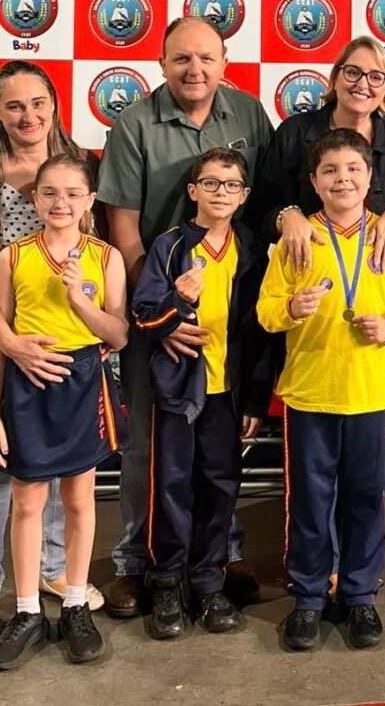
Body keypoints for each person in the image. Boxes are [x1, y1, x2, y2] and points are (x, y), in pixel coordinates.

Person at [98, 16, 274, 618]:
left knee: (219, 459)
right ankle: (138, 564)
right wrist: (162, 314)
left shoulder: (248, 115)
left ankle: (217, 560)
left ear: (224, 62)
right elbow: (123, 229)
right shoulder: (134, 123)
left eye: (206, 58)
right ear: (162, 63)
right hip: (156, 310)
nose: (194, 69)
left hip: (223, 325)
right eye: (181, 59)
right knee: (152, 450)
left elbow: (265, 203)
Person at [257, 129, 385, 650]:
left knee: (366, 498)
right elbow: (266, 310)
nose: (343, 179)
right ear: (313, 181)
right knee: (310, 501)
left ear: (370, 177)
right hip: (309, 393)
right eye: (330, 171)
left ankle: (360, 595)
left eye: (354, 169)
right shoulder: (298, 240)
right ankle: (309, 597)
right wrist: (291, 308)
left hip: (370, 394)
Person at [0, 61, 104, 647]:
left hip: (64, 338)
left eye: (38, 102)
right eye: (14, 105)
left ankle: (52, 567)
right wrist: (8, 339)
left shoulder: (79, 165)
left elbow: (94, 254)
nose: (28, 115)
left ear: (54, 104)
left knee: (62, 459)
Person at [0, 154, 129, 669]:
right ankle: (26, 611)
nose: (60, 202)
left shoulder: (106, 257)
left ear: (90, 200)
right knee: (26, 501)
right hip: (27, 385)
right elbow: (0, 337)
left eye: (72, 193)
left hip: (83, 381)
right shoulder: (13, 256)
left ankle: (74, 605)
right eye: (49, 192)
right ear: (35, 198)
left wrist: (81, 300)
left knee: (79, 498)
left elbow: (119, 334)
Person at [132, 147, 270, 640]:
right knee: (171, 485)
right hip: (178, 389)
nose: (220, 193)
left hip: (227, 393)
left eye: (231, 185)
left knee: (220, 486)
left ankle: (209, 580)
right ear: (193, 191)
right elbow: (143, 316)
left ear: (244, 195)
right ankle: (167, 579)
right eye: (210, 183)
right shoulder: (170, 246)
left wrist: (254, 400)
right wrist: (177, 303)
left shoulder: (251, 249)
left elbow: (261, 331)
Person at [263, 35, 385, 272]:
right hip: (309, 273)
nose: (362, 84)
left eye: (376, 77)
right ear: (335, 78)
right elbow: (261, 211)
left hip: (377, 275)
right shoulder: (293, 133)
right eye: (353, 72)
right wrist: (286, 216)